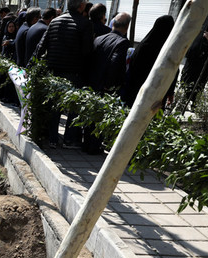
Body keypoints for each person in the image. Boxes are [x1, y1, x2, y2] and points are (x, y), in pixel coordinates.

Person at [34, 0, 94, 148]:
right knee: (73, 106)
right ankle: (69, 140)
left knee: (54, 106)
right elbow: (87, 52)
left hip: (53, 70)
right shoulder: (85, 24)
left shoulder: (55, 22)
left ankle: (53, 139)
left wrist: (32, 66)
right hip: (74, 72)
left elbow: (41, 45)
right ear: (81, 6)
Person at [83, 12, 131, 154]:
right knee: (101, 116)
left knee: (91, 114)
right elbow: (115, 63)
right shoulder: (122, 42)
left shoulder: (99, 38)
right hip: (105, 85)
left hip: (92, 81)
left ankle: (86, 144)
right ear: (127, 26)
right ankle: (94, 147)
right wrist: (110, 84)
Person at [121, 15, 175, 108]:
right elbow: (172, 72)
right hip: (155, 96)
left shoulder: (144, 45)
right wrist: (170, 92)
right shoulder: (167, 51)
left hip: (136, 93)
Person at [180, 15, 208, 108]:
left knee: (200, 85)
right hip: (193, 65)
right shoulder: (201, 33)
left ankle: (193, 104)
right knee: (187, 84)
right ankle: (182, 103)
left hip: (205, 67)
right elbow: (191, 49)